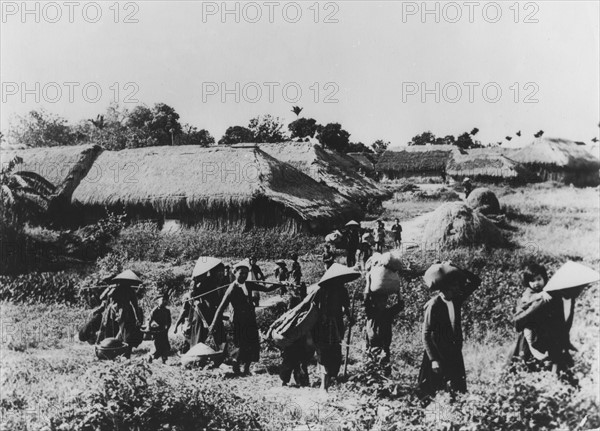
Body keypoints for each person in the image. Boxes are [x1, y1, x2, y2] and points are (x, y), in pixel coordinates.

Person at [417, 262, 481, 404]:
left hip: (453, 350)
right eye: (453, 287)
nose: (457, 289)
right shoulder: (433, 305)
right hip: (437, 352)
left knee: (459, 388)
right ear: (444, 288)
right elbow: (426, 334)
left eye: (458, 286)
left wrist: (457, 268)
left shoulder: (456, 299)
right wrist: (433, 359)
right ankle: (420, 418)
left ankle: (457, 415)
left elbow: (476, 281)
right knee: (427, 390)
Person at [209, 261, 282, 375]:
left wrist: (280, 284)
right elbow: (221, 307)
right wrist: (213, 324)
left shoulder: (249, 284)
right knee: (240, 344)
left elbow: (266, 289)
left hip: (250, 318)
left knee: (252, 343)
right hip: (238, 320)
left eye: (246, 273)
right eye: (241, 273)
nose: (244, 275)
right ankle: (236, 367)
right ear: (235, 273)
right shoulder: (232, 288)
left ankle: (247, 368)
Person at [311, 263, 359, 392]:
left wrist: (349, 317)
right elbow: (313, 307)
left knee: (332, 351)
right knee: (326, 352)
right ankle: (323, 385)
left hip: (333, 324)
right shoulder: (322, 290)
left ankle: (330, 378)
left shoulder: (339, 289)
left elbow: (346, 307)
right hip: (325, 325)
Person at [508, 264, 553, 372]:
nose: (536, 283)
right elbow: (527, 300)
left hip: (539, 326)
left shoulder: (545, 290)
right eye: (532, 280)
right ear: (528, 282)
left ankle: (540, 362)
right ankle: (539, 357)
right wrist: (540, 295)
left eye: (539, 279)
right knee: (529, 343)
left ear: (544, 279)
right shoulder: (529, 293)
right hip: (528, 325)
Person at [98, 270, 144, 349]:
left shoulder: (121, 289)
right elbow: (103, 298)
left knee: (123, 332)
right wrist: (138, 317)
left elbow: (102, 297)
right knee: (118, 331)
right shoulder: (118, 289)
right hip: (117, 312)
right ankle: (114, 347)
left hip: (123, 312)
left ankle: (118, 347)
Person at [279, 283, 313, 387]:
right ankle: (297, 381)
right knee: (297, 360)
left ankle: (292, 381)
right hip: (296, 335)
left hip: (295, 335)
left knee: (291, 360)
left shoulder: (301, 302)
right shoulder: (304, 302)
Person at [364, 292, 404, 366]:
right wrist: (368, 284)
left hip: (384, 346)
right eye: (379, 301)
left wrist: (398, 292)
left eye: (384, 301)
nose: (382, 303)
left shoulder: (388, 313)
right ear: (375, 302)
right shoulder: (371, 311)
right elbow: (366, 301)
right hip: (372, 346)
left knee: (384, 369)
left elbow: (400, 305)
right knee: (371, 369)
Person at [147, 292, 172, 364]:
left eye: (165, 300)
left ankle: (164, 359)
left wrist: (167, 327)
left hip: (163, 330)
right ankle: (151, 356)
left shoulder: (167, 311)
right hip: (156, 330)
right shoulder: (155, 310)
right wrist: (149, 328)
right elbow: (149, 320)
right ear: (158, 301)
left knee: (165, 345)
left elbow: (169, 321)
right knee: (157, 345)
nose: (164, 301)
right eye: (162, 299)